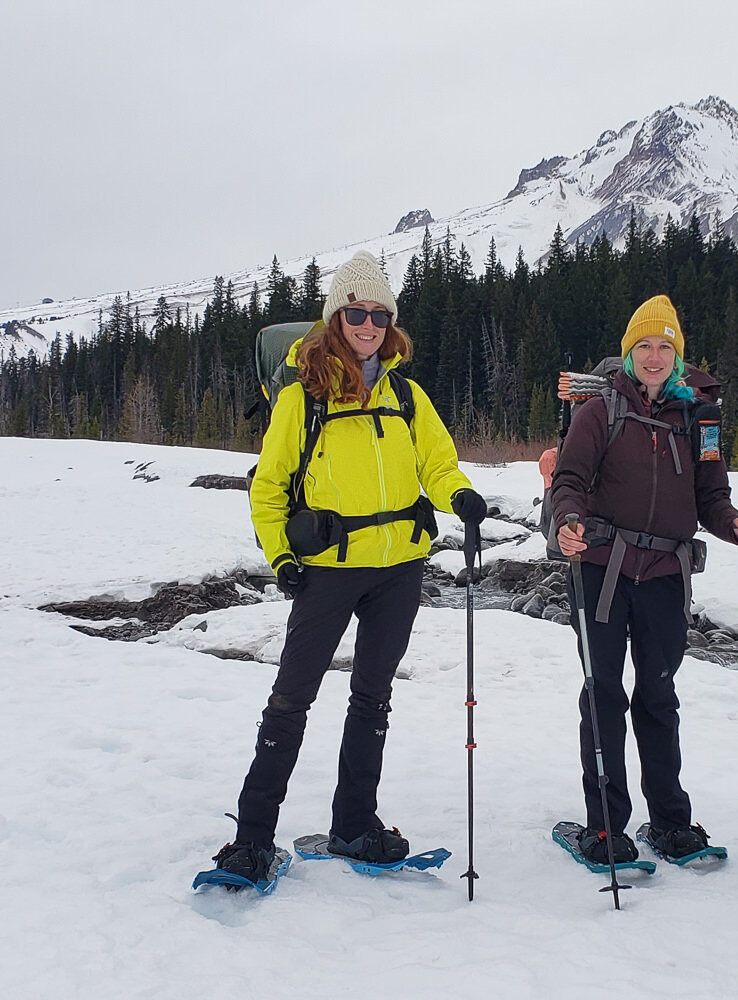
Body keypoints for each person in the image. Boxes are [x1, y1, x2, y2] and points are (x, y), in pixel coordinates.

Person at [210, 251, 487, 881]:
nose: (369, 325)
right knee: (291, 699)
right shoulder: (302, 399)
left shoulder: (408, 398)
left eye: (380, 315)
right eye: (357, 314)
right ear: (336, 320)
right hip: (327, 571)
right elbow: (270, 486)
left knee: (372, 697)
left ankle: (354, 824)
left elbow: (438, 466)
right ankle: (252, 836)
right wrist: (280, 555)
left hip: (400, 568)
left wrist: (460, 495)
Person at [549, 294, 738, 864]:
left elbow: (712, 495)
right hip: (602, 570)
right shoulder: (599, 412)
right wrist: (567, 521)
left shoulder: (701, 417)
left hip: (667, 574)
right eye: (643, 345)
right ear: (628, 353)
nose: (653, 355)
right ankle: (605, 828)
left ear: (678, 355)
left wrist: (733, 524)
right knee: (604, 695)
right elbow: (569, 479)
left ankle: (669, 822)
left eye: (664, 346)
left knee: (658, 696)